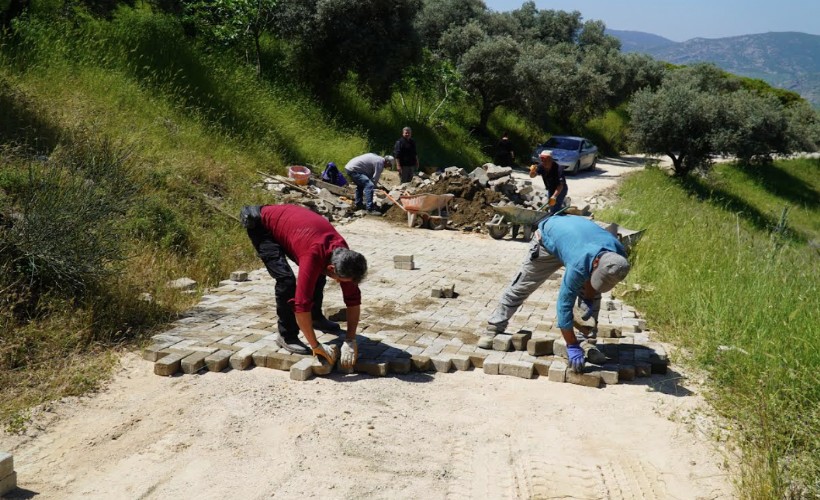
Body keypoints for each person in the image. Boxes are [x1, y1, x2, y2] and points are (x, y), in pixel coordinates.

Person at [480, 214, 631, 372]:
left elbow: (595, 273)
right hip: (548, 240)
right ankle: (494, 327)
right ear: (596, 262)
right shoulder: (579, 262)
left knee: (593, 297)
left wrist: (588, 299)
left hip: (578, 244)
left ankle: (585, 341)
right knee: (523, 284)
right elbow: (564, 305)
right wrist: (571, 346)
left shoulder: (618, 256)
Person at [240, 204, 367, 369]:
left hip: (295, 228)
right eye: (339, 279)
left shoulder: (344, 255)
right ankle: (287, 336)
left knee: (318, 276)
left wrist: (351, 340)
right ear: (332, 269)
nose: (337, 283)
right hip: (261, 225)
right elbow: (301, 306)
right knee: (286, 281)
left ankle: (316, 318)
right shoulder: (313, 255)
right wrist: (316, 346)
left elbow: (353, 299)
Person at [530, 151, 567, 215]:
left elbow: (560, 185)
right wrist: (532, 171)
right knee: (551, 206)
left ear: (550, 160)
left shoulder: (558, 169)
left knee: (555, 207)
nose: (543, 162)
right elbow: (532, 176)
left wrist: (554, 196)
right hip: (550, 188)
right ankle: (555, 214)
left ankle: (556, 218)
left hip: (560, 190)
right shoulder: (541, 166)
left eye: (545, 160)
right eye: (542, 160)